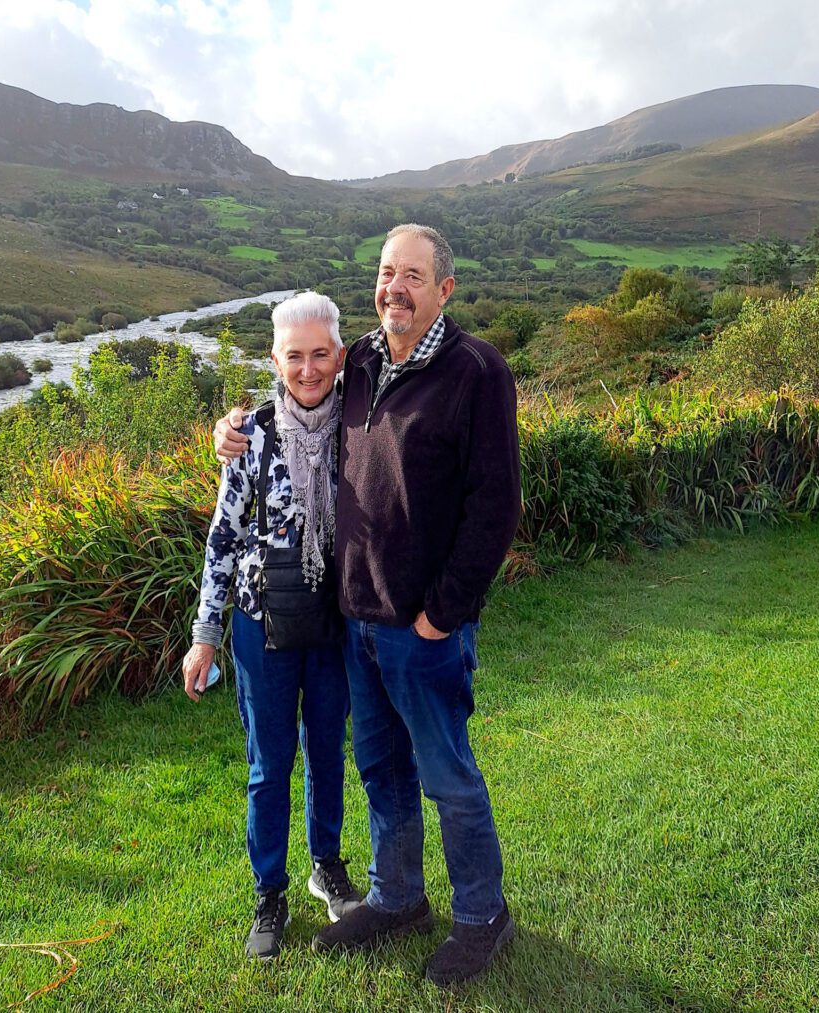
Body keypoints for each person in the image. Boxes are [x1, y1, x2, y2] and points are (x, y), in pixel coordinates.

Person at [215, 224, 521, 986]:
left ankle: (483, 916)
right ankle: (397, 897)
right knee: (381, 768)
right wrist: (232, 427)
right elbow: (295, 389)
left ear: (444, 290)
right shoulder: (361, 359)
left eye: (414, 275)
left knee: (447, 773)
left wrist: (443, 613)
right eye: (388, 272)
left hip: (424, 627)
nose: (397, 287)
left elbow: (496, 507)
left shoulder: (476, 370)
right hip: (359, 621)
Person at [183, 291, 363, 962]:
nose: (309, 369)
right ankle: (269, 891)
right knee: (269, 765)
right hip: (261, 628)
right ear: (275, 358)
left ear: (339, 355)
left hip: (334, 620)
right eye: (295, 356)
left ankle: (327, 865)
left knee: (326, 751)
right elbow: (222, 540)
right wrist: (206, 635)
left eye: (321, 354)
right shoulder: (251, 434)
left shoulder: (360, 423)